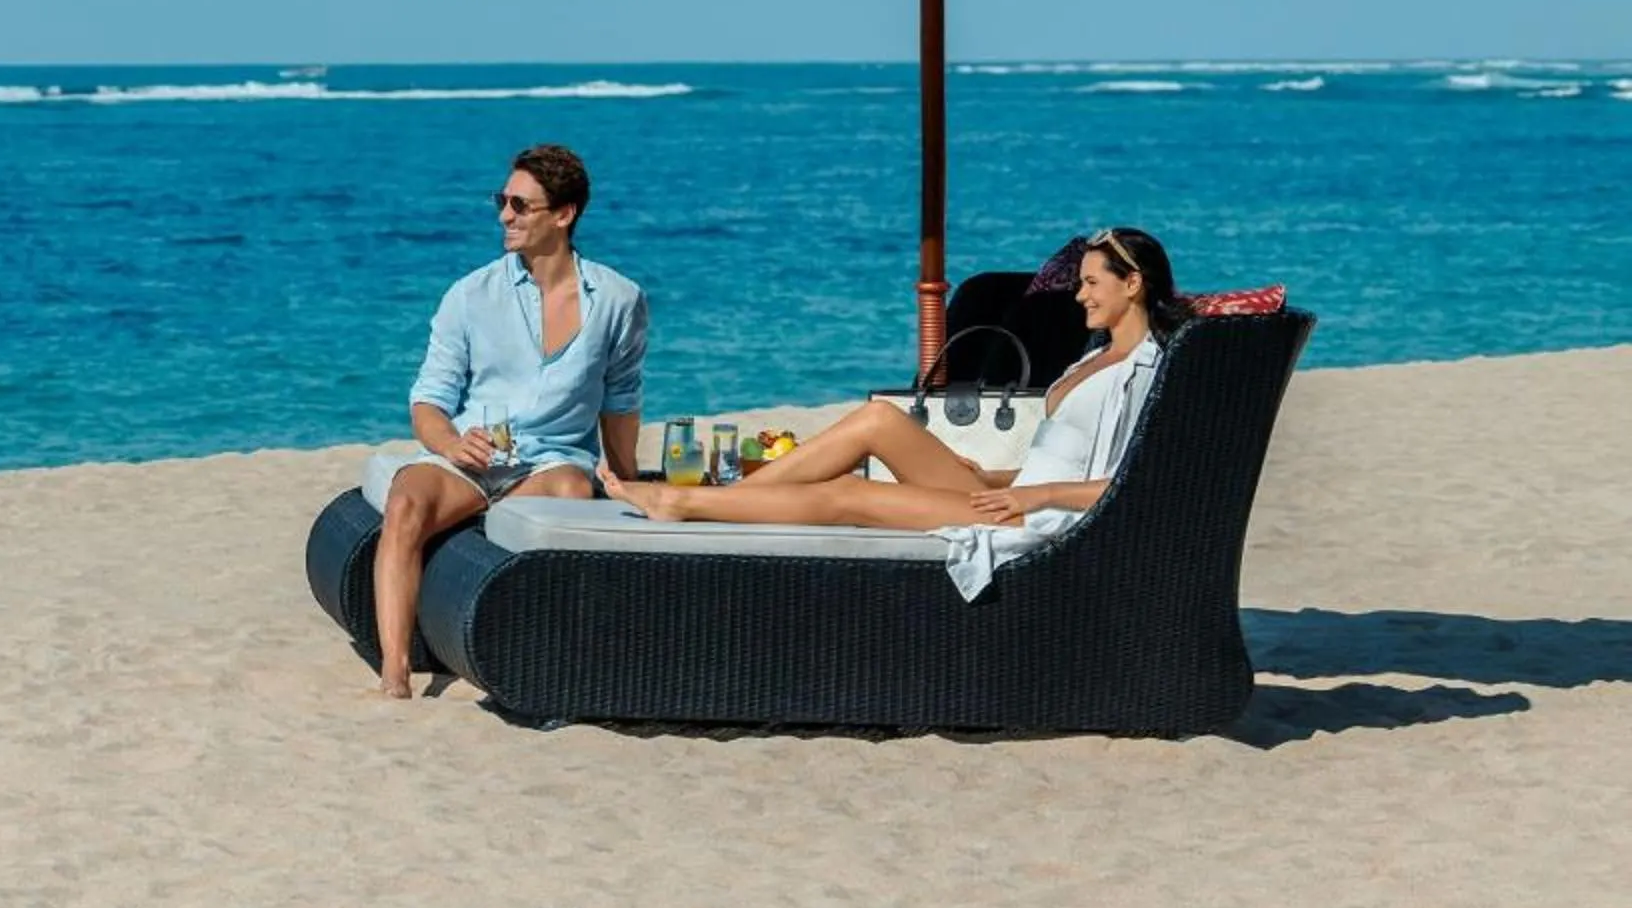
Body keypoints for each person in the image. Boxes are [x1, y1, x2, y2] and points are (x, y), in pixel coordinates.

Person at [639, 226, 1187, 531]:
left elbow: (1137, 484)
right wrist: (997, 479)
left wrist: (1034, 496)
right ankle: (737, 502)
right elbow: (1068, 455)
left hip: (1042, 524)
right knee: (880, 418)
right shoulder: (1091, 359)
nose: (1079, 294)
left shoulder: (1143, 370)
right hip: (1013, 497)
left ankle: (685, 505)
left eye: (1092, 283)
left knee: (850, 494)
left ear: (1133, 283)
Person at [370, 144, 650, 699]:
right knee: (405, 503)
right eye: (503, 201)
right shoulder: (469, 295)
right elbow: (428, 400)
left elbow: (620, 401)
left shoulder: (619, 299)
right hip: (469, 455)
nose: (504, 215)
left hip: (552, 460)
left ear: (563, 214)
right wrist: (450, 446)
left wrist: (628, 479)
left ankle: (528, 649)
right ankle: (396, 672)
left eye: (521, 205)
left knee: (570, 491)